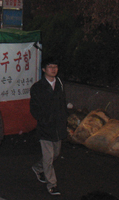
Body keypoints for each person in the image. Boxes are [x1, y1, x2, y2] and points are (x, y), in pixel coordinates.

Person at [29, 59, 68, 196]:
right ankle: (52, 184)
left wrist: (65, 122)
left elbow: (63, 105)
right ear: (44, 69)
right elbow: (34, 108)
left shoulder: (60, 84)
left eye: (55, 66)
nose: (53, 69)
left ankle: (37, 168)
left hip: (58, 127)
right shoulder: (37, 87)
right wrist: (44, 119)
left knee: (55, 154)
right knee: (48, 157)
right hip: (45, 127)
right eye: (50, 67)